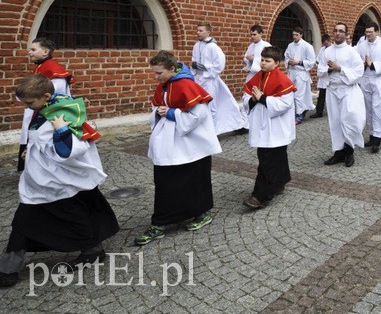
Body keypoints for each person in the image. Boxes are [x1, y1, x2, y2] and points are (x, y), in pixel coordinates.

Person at [0, 75, 118, 288]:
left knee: (55, 216)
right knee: (27, 219)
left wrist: (62, 130)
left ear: (46, 96)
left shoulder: (62, 115)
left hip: (56, 180)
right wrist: (31, 150)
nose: (27, 108)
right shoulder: (43, 109)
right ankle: (9, 266)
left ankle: (92, 250)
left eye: (29, 103)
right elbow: (40, 138)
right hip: (43, 179)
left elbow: (72, 150)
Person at [136, 51, 222, 246]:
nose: (155, 77)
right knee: (166, 181)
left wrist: (173, 113)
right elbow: (157, 108)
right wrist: (158, 112)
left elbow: (198, 115)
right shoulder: (164, 86)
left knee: (194, 179)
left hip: (190, 143)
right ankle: (162, 220)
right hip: (169, 142)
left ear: (172, 69)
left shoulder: (187, 85)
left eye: (159, 73)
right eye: (155, 73)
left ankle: (200, 213)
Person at [242, 46, 297, 209]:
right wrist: (252, 99)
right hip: (262, 123)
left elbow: (285, 104)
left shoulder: (283, 80)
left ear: (277, 63)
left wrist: (263, 98)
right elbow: (246, 96)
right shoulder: (258, 76)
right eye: (262, 60)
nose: (263, 63)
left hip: (276, 126)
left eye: (267, 61)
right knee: (274, 157)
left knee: (269, 159)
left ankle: (260, 196)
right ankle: (280, 182)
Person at [18, 37, 73, 172]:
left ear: (45, 51)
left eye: (33, 49)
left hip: (49, 115)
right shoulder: (40, 66)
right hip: (37, 110)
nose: (29, 52)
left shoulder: (53, 69)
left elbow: (56, 94)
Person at [318, 23, 366, 167]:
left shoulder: (351, 52)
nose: (337, 33)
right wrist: (329, 70)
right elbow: (320, 70)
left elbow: (359, 71)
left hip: (348, 89)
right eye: (335, 31)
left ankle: (349, 150)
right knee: (335, 121)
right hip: (332, 90)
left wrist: (341, 68)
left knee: (349, 120)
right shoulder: (327, 51)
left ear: (346, 34)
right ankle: (338, 152)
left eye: (341, 31)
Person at [191, 23, 246, 134]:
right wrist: (194, 68)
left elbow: (219, 65)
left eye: (200, 31)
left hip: (210, 80)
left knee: (212, 105)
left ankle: (213, 132)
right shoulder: (196, 45)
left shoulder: (213, 47)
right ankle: (202, 129)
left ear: (208, 32)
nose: (198, 33)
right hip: (198, 79)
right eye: (197, 30)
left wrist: (204, 68)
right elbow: (194, 60)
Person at [357, 23, 381, 153]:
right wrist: (363, 64)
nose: (368, 35)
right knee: (368, 109)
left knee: (379, 109)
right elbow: (356, 62)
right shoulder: (361, 46)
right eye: (366, 32)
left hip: (378, 80)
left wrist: (372, 65)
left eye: (370, 32)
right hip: (365, 80)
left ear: (376, 32)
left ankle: (377, 139)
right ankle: (372, 136)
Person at [284, 26, 316, 124]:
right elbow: (286, 56)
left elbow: (311, 61)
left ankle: (298, 116)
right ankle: (298, 112)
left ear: (301, 35)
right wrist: (289, 61)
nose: (294, 37)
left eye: (296, 35)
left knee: (299, 95)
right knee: (290, 94)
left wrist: (298, 62)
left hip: (301, 73)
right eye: (293, 35)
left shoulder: (307, 46)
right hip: (292, 73)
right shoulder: (290, 45)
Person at [310, 34, 332, 118]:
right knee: (321, 95)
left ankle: (332, 112)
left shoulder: (333, 49)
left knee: (331, 96)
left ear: (329, 41)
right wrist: (320, 64)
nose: (325, 45)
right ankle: (319, 112)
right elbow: (318, 59)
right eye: (324, 44)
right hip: (323, 74)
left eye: (326, 43)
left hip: (330, 74)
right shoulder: (322, 49)